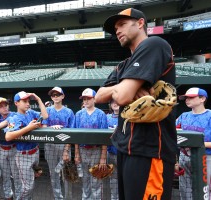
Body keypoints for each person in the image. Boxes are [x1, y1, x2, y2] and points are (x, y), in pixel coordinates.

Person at [95, 8, 177, 199]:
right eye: (115, 28)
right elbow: (98, 96)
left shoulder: (154, 44)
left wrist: (120, 89)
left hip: (150, 150)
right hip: (125, 148)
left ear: (140, 23)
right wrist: (124, 87)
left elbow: (122, 97)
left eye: (122, 24)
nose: (117, 31)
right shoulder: (124, 64)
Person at [4, 91, 48, 200]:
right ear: (16, 103)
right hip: (23, 155)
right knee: (28, 187)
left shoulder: (30, 112)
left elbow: (45, 116)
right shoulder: (15, 118)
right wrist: (28, 128)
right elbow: (8, 136)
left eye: (28, 101)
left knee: (32, 182)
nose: (27, 103)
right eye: (24, 101)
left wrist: (38, 99)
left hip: (35, 152)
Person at [176, 88, 211, 200]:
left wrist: (197, 144)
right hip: (184, 157)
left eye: (191, 97)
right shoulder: (183, 116)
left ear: (202, 99)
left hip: (205, 158)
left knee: (205, 190)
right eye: (186, 97)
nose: (187, 99)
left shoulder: (210, 116)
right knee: (185, 191)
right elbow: (172, 135)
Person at [42, 86, 75, 200]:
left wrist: (66, 150)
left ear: (63, 96)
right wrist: (51, 127)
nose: (55, 97)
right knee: (53, 174)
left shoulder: (69, 112)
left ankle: (68, 197)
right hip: (50, 145)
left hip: (64, 145)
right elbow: (44, 126)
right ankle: (58, 198)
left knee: (66, 173)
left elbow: (72, 133)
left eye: (58, 95)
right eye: (53, 95)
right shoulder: (48, 110)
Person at [74, 88, 108, 200]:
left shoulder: (101, 114)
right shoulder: (78, 114)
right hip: (83, 150)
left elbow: (104, 138)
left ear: (94, 99)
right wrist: (77, 154)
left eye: (88, 98)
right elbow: (76, 137)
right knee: (85, 180)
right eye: (84, 99)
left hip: (96, 151)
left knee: (96, 180)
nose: (86, 101)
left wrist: (103, 158)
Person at [106, 100, 119, 200]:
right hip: (111, 153)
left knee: (126, 179)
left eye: (118, 101)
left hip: (125, 154)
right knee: (113, 180)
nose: (115, 103)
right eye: (113, 102)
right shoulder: (107, 118)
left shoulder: (128, 117)